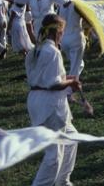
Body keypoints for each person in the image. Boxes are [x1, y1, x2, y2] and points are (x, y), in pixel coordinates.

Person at [25, 14, 81, 186]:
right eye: (62, 32)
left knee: (71, 137)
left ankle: (63, 181)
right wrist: (71, 82)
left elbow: (44, 77)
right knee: (53, 154)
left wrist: (66, 77)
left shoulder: (34, 51)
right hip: (50, 104)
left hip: (36, 99)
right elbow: (54, 83)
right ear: (57, 32)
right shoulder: (53, 52)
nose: (62, 36)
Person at [58, 0, 85, 96]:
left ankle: (70, 83)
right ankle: (68, 91)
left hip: (64, 39)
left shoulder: (62, 5)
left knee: (80, 64)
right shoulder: (77, 4)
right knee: (75, 67)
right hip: (76, 37)